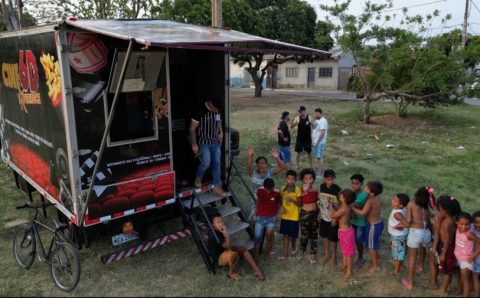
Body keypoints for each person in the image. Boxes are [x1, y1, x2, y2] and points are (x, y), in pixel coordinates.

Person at [206, 213, 265, 281]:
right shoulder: (213, 235)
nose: (221, 223)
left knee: (243, 249)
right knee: (235, 255)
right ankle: (230, 273)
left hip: (223, 250)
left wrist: (225, 234)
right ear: (212, 225)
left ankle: (257, 271)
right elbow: (228, 245)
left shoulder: (218, 230)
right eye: (218, 222)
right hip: (218, 257)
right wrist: (227, 233)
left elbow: (228, 245)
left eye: (221, 221)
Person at [189, 97, 227, 197]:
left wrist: (221, 132)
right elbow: (192, 129)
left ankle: (217, 187)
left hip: (215, 142)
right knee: (206, 163)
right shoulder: (199, 110)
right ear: (210, 104)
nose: (217, 111)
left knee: (217, 163)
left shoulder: (217, 110)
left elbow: (219, 121)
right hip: (204, 143)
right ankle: (198, 178)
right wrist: (194, 144)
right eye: (216, 109)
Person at [401, 186, 434, 290]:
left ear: (417, 195)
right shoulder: (427, 208)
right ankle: (420, 267)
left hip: (415, 233)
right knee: (423, 248)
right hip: (427, 233)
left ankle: (409, 282)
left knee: (412, 257)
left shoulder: (411, 204)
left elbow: (408, 222)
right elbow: (429, 223)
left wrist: (400, 224)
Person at [428, 195, 460, 295]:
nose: (438, 210)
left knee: (446, 270)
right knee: (444, 266)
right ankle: (444, 286)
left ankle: (442, 290)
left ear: (446, 210)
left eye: (440, 208)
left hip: (446, 248)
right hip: (444, 245)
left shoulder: (447, 223)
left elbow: (447, 241)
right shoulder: (452, 218)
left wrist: (443, 254)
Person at [246, 145, 286, 221]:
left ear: (266, 164)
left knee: (267, 222)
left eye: (264, 163)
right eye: (259, 163)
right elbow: (249, 166)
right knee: (253, 221)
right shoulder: (252, 173)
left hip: (268, 202)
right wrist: (250, 155)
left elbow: (282, 167)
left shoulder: (270, 172)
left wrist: (277, 157)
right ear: (257, 165)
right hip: (255, 203)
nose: (262, 165)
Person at [352, 181, 384, 274]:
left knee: (371, 247)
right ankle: (377, 257)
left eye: (367, 187)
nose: (365, 187)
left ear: (372, 192)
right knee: (374, 243)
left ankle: (375, 266)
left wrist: (352, 207)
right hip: (379, 223)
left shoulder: (371, 200)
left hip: (373, 226)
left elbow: (362, 213)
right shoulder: (376, 197)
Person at [329, 188, 357, 282]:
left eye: (341, 195)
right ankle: (345, 267)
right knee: (344, 251)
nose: (339, 196)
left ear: (344, 198)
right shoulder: (346, 206)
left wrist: (330, 206)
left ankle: (349, 271)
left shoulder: (344, 209)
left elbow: (332, 216)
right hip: (343, 231)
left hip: (346, 233)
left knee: (348, 253)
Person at [254, 178, 281, 263]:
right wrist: (255, 213)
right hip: (260, 217)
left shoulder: (277, 193)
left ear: (273, 187)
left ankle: (267, 255)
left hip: (271, 218)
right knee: (257, 237)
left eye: (271, 189)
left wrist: (277, 215)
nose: (269, 191)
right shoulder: (260, 190)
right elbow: (258, 202)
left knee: (269, 235)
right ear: (264, 187)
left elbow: (279, 203)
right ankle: (256, 256)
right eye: (267, 190)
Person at [318, 169, 341, 266]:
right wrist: (319, 212)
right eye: (327, 179)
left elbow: (340, 205)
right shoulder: (322, 187)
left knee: (333, 238)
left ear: (334, 179)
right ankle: (327, 254)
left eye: (331, 179)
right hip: (324, 216)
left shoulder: (338, 189)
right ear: (324, 179)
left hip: (333, 217)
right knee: (325, 236)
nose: (329, 181)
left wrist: (336, 219)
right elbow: (321, 200)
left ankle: (334, 257)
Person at [297, 168, 319, 264]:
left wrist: (320, 213)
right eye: (305, 179)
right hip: (304, 214)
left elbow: (318, 201)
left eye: (310, 178)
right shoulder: (301, 189)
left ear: (313, 179)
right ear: (302, 180)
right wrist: (305, 191)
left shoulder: (316, 188)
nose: (308, 181)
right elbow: (299, 201)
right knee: (304, 234)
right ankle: (302, 250)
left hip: (314, 213)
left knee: (314, 235)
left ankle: (313, 253)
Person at [279, 170, 302, 260]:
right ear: (286, 179)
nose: (290, 181)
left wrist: (292, 200)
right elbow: (281, 199)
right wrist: (281, 207)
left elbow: (300, 204)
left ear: (295, 180)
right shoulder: (282, 189)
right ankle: (285, 255)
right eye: (289, 179)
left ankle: (293, 244)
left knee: (293, 236)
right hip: (285, 216)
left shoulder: (297, 190)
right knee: (285, 235)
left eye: (293, 179)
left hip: (294, 217)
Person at [455, 212, 478, 298]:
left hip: (466, 260)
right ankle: (459, 290)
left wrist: (474, 255)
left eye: (466, 225)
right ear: (456, 222)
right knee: (462, 277)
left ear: (470, 224)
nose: (464, 227)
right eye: (461, 224)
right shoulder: (458, 229)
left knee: (465, 281)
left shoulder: (469, 234)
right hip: (460, 258)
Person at [388, 193, 410, 275]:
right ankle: (400, 266)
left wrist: (397, 226)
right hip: (402, 235)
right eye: (393, 199)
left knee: (396, 253)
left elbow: (407, 224)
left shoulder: (397, 214)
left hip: (397, 236)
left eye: (395, 201)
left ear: (401, 205)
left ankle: (396, 270)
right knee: (401, 251)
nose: (392, 201)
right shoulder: (403, 209)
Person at [349, 173, 368, 269]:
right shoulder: (351, 193)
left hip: (361, 222)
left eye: (356, 183)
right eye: (352, 183)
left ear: (361, 184)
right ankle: (353, 254)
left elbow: (357, 206)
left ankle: (361, 257)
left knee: (358, 240)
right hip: (352, 221)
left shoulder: (364, 195)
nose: (354, 185)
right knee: (353, 239)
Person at [311, 108, 328, 176]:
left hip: (320, 142)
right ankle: (319, 169)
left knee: (320, 157)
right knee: (318, 157)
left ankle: (320, 172)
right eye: (315, 113)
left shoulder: (323, 121)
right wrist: (314, 118)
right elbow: (312, 124)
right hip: (316, 142)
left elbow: (322, 133)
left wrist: (317, 143)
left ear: (320, 113)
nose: (316, 115)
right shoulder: (317, 120)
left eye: (317, 114)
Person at [471, 211, 480, 298]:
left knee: (475, 278)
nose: (478, 224)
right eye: (476, 222)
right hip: (475, 259)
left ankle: (476, 295)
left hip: (477, 260)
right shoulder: (472, 228)